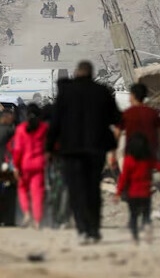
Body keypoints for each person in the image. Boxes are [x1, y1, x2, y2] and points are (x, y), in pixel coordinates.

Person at [47, 61, 121, 244]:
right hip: (96, 149)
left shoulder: (66, 93)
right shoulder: (102, 91)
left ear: (76, 72)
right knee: (92, 189)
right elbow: (116, 118)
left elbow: (55, 122)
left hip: (71, 151)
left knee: (76, 190)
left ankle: (82, 229)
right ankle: (94, 230)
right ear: (91, 73)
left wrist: (48, 148)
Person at [115, 133, 160, 244]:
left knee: (134, 216)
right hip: (145, 194)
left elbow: (123, 178)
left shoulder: (128, 161)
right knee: (146, 215)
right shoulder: (148, 161)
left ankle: (135, 237)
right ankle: (147, 226)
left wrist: (118, 192)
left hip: (133, 194)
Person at [12, 103, 48, 228]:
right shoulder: (44, 128)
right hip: (39, 164)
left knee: (22, 189)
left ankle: (27, 214)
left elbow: (17, 150)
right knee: (37, 192)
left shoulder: (20, 129)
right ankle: (37, 220)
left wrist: (16, 166)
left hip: (24, 164)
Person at [118, 83, 160, 161]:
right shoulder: (153, 113)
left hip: (133, 158)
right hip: (150, 156)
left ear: (133, 96)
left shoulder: (126, 114)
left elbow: (117, 133)